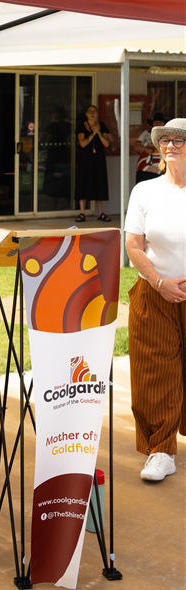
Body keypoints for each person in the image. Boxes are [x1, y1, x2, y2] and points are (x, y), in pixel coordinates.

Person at [125, 117, 186, 482]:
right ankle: (160, 450)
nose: (170, 146)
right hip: (154, 291)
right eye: (165, 140)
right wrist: (159, 282)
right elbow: (133, 244)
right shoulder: (145, 191)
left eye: (179, 140)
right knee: (154, 372)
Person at [75, 104, 111, 221]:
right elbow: (82, 143)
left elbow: (106, 143)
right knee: (83, 182)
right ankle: (82, 212)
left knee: (99, 182)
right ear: (86, 114)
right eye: (90, 111)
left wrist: (98, 132)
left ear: (97, 114)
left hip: (98, 158)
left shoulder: (102, 125)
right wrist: (93, 133)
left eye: (94, 111)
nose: (92, 113)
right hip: (85, 159)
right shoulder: (81, 127)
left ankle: (100, 213)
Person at [134, 113, 166, 185]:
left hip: (161, 166)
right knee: (143, 187)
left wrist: (155, 145)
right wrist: (145, 149)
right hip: (144, 165)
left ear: (164, 125)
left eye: (160, 123)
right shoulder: (146, 133)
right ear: (152, 124)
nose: (158, 125)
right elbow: (136, 146)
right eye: (156, 123)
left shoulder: (167, 135)